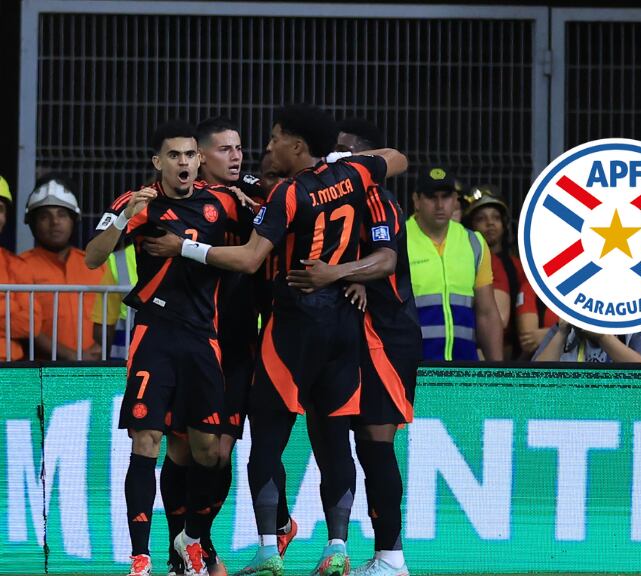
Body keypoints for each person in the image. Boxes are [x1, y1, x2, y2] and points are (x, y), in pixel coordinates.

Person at [144, 104, 408, 576]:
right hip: (321, 328)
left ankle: (267, 548)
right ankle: (328, 548)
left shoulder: (287, 193)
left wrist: (182, 245)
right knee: (321, 444)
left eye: (267, 143)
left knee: (260, 442)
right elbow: (396, 158)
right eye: (231, 149)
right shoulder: (347, 174)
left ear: (296, 146)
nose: (256, 155)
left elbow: (249, 259)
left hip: (276, 332)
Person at [85, 120, 247, 576]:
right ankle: (140, 557)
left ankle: (192, 539)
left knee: (207, 452)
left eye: (189, 155)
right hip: (154, 334)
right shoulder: (137, 202)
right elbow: (93, 257)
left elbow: (259, 242)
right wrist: (123, 217)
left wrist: (250, 199)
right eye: (173, 155)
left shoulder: (221, 204)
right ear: (158, 162)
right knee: (146, 441)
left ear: (199, 161)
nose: (183, 162)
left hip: (203, 340)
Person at [286, 118, 421, 576]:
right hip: (345, 332)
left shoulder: (377, 198)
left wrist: (344, 274)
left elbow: (385, 262)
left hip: (386, 334)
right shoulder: (313, 194)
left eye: (344, 152)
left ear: (363, 160)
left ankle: (391, 557)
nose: (333, 158)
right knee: (332, 440)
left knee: (375, 445)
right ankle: (340, 546)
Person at [407, 167, 503, 361]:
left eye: (447, 196)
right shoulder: (398, 240)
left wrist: (498, 375)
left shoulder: (473, 242)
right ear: (416, 200)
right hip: (411, 369)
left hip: (462, 368)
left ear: (456, 200)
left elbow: (487, 313)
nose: (440, 205)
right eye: (432, 197)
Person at [17, 175, 107, 361]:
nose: (55, 222)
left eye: (62, 214)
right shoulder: (20, 267)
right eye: (44, 216)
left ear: (74, 220)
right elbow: (24, 326)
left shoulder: (96, 265)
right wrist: (74, 357)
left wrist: (103, 348)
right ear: (33, 223)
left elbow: (113, 316)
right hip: (41, 374)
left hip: (96, 370)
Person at [462, 185, 520, 358]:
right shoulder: (464, 260)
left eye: (495, 217)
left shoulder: (518, 266)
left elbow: (500, 320)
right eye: (481, 218)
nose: (490, 223)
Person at [0, 176, 40, 360]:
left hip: (9, 371)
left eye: (0, 209)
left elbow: (32, 324)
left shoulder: (15, 265)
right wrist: (9, 312)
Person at [533, 319, 641, 363]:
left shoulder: (637, 329)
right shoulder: (562, 329)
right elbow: (531, 382)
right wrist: (562, 333)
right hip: (568, 412)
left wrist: (603, 337)